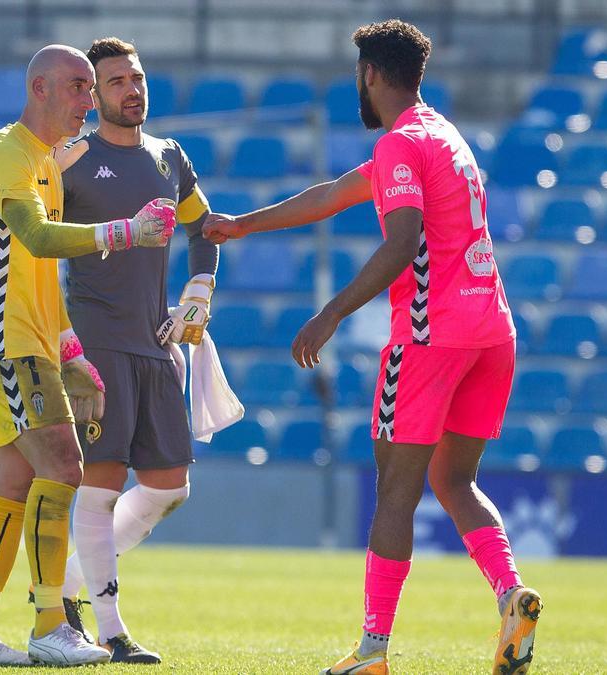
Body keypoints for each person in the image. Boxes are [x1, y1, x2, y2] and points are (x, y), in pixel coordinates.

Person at [204, 19, 541, 675]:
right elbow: (334, 194)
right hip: (492, 330)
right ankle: (510, 593)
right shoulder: (442, 136)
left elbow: (402, 240)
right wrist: (242, 224)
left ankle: (373, 651)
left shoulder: (400, 146)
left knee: (396, 490)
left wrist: (330, 314)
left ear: (371, 75)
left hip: (430, 334)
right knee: (454, 478)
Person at [0, 44, 176, 666]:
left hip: (32, 342)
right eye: (78, 86)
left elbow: (36, 275)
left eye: (88, 87)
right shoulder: (5, 155)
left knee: (13, 486)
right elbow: (40, 239)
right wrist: (126, 230)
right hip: (6, 344)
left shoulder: (47, 162)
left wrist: (71, 348)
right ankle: (51, 622)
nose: (87, 99)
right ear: (40, 88)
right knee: (64, 464)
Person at [45, 36, 219, 664]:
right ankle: (112, 631)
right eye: (116, 81)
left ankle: (68, 583)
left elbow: (207, 230)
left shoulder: (170, 158)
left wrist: (199, 288)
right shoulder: (69, 161)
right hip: (98, 346)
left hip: (153, 343)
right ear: (93, 94)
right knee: (101, 488)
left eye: (137, 78)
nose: (132, 89)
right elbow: (34, 234)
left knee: (172, 487)